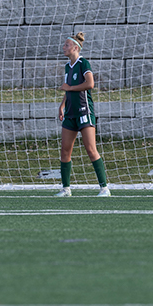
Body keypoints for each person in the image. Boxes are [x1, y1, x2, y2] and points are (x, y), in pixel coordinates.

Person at [55, 32, 109, 197]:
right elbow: (68, 88)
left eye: (66, 45)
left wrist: (70, 88)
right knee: (65, 150)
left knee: (91, 149)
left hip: (84, 112)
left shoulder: (83, 63)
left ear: (75, 48)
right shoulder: (67, 66)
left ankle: (104, 188)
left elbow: (90, 84)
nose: (63, 47)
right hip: (70, 113)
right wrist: (62, 105)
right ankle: (66, 189)